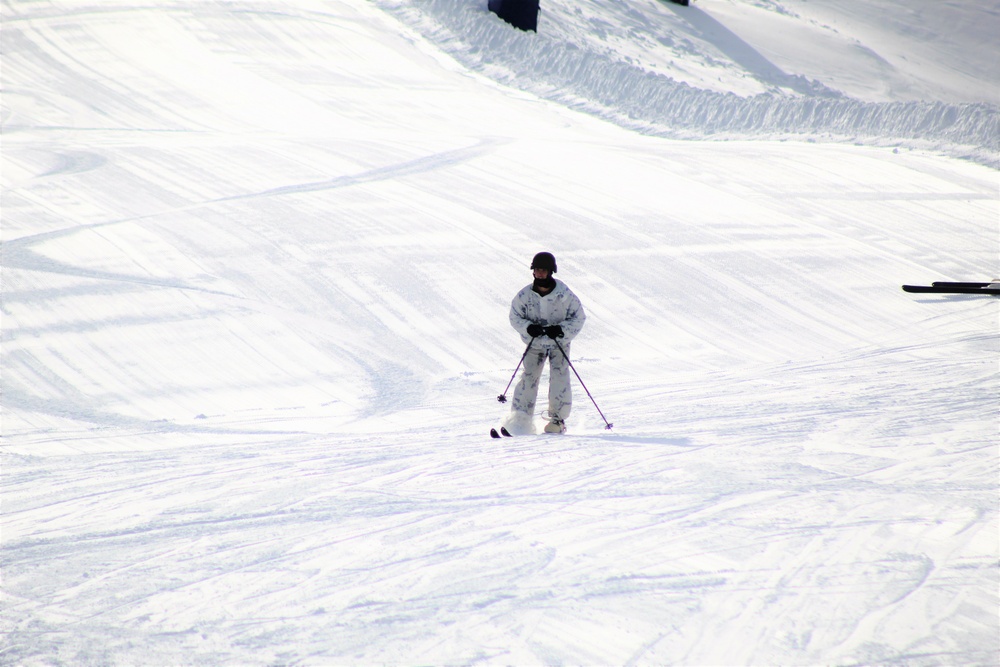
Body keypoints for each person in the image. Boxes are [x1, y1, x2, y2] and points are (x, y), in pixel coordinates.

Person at [503, 251, 586, 434]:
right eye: (537, 270)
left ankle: (557, 421)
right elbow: (515, 316)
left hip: (559, 342)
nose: (540, 273)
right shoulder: (525, 295)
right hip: (536, 342)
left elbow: (578, 317)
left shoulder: (563, 294)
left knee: (559, 377)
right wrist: (528, 327)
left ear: (551, 272)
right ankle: (520, 420)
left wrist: (562, 330)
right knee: (529, 378)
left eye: (544, 270)